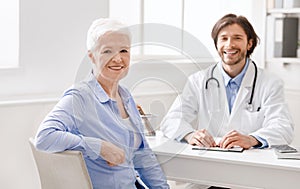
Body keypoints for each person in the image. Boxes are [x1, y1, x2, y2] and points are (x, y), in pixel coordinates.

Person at [34, 18, 169, 189]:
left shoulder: (125, 95)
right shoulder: (80, 96)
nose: (118, 59)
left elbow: (142, 155)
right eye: (107, 51)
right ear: (92, 55)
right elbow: (45, 136)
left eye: (124, 51)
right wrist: (99, 147)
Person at [161, 13, 294, 151]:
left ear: (249, 43)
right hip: (210, 160)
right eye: (224, 38)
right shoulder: (198, 80)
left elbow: (283, 127)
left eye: (237, 38)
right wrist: (190, 135)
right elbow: (171, 120)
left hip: (252, 163)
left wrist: (252, 139)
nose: (229, 45)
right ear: (217, 44)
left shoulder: (270, 83)